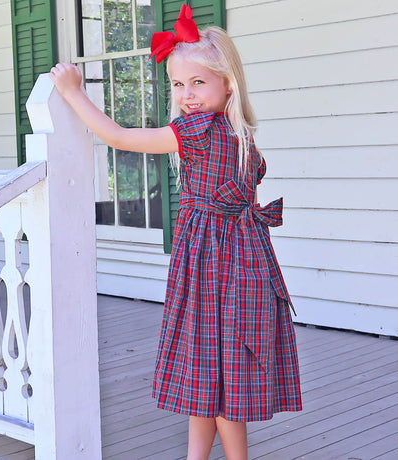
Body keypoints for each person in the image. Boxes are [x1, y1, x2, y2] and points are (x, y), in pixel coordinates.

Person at [50, 4, 302, 459]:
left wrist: (72, 93)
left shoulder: (200, 130)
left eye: (197, 82)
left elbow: (120, 137)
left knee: (214, 372)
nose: (186, 94)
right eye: (178, 84)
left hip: (212, 269)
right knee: (215, 369)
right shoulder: (239, 133)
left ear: (228, 83)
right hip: (246, 267)